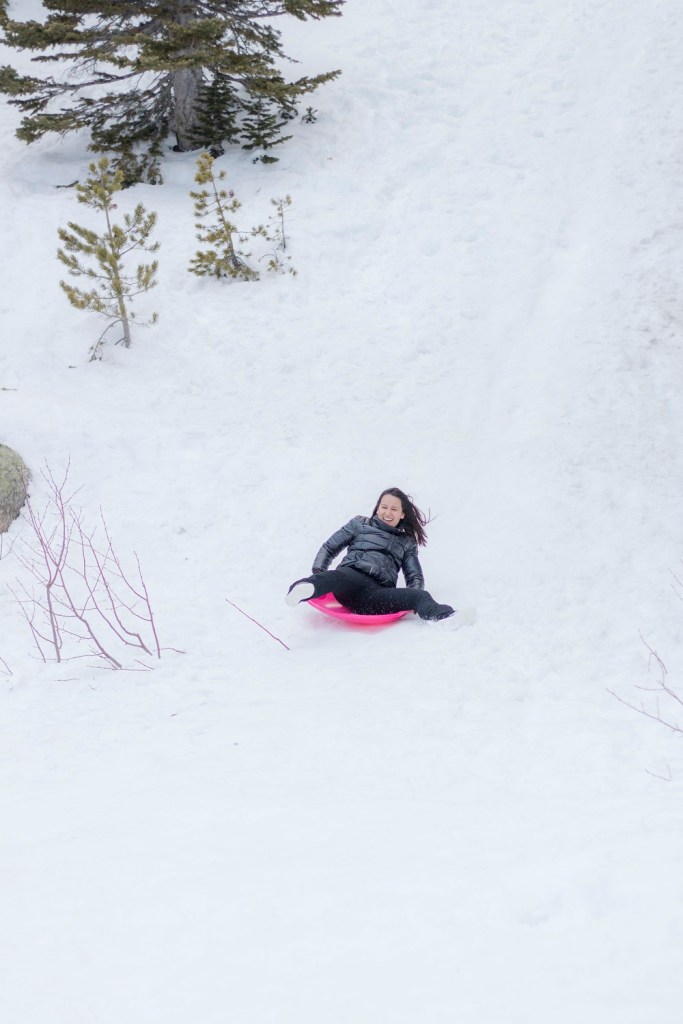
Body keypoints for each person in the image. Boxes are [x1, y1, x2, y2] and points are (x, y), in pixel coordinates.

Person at [286, 487, 456, 621]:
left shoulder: (407, 542)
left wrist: (409, 597)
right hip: (349, 580)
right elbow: (330, 547)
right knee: (333, 577)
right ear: (377, 508)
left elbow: (415, 577)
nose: (387, 513)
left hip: (376, 595)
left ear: (402, 514)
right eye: (384, 507)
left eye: (394, 509)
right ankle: (302, 590)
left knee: (421, 596)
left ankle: (445, 617)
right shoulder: (360, 524)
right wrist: (318, 570)